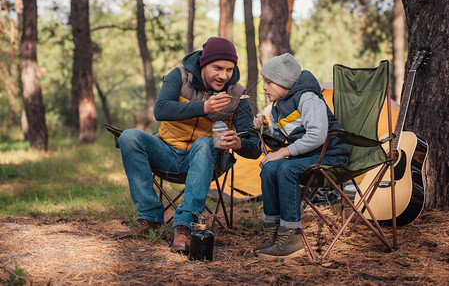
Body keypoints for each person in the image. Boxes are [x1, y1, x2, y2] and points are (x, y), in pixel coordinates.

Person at [112, 37, 261, 254]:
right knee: (129, 136)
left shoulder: (238, 94)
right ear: (203, 63)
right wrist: (203, 108)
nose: (223, 75)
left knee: (204, 142)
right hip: (167, 152)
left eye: (229, 69)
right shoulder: (180, 76)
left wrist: (239, 143)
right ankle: (150, 218)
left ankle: (184, 225)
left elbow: (254, 147)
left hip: (207, 161)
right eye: (217, 68)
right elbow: (161, 110)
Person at [253, 53, 350, 259]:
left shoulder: (308, 97)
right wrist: (267, 131)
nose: (264, 87)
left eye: (269, 82)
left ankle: (291, 237)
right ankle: (274, 233)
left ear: (283, 81)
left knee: (287, 168)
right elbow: (285, 138)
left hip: (331, 155)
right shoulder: (279, 106)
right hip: (307, 156)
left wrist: (283, 153)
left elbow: (317, 135)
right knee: (270, 168)